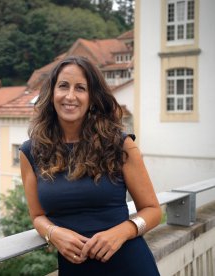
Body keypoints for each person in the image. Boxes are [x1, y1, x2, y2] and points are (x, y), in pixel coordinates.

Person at [19, 56, 162, 275]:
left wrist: (123, 231)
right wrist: (53, 233)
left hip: (130, 265)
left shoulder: (120, 145)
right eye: (63, 86)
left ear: (92, 97)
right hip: (75, 269)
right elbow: (37, 216)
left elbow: (153, 211)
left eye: (80, 88)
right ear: (52, 93)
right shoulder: (31, 152)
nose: (70, 96)